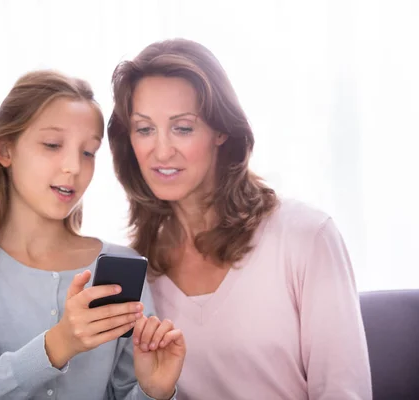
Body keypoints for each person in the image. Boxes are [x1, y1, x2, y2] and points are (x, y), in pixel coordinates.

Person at [107, 38, 372, 399]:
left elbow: (344, 392)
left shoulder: (306, 237)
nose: (162, 150)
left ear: (221, 131)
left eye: (182, 128)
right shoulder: (135, 271)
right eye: (144, 129)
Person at [0, 70, 185, 400]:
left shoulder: (123, 266)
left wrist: (155, 392)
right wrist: (58, 344)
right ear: (5, 150)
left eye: (88, 152)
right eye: (52, 145)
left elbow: (125, 392)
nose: (74, 168)